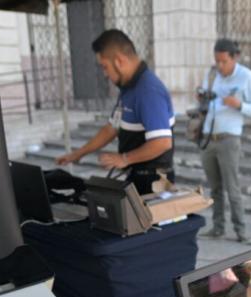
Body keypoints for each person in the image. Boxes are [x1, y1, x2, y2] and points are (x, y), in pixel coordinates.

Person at [56, 29, 175, 195]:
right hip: (136, 176)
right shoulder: (128, 88)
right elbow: (111, 128)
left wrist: (124, 159)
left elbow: (162, 142)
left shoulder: (148, 91)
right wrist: (79, 153)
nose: (105, 74)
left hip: (154, 183)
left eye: (105, 67)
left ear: (119, 61)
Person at [197, 38, 251, 244]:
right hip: (208, 138)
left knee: (232, 188)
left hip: (229, 139)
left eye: (224, 61)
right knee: (214, 187)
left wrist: (239, 105)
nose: (220, 65)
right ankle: (218, 227)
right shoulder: (212, 74)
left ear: (235, 58)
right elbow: (208, 101)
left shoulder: (247, 77)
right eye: (217, 61)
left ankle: (241, 231)